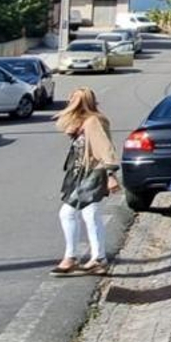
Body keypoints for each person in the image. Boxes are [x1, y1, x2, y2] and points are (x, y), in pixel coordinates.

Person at [52, 88, 119, 276]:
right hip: (80, 174)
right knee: (90, 215)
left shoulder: (94, 121)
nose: (70, 103)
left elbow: (105, 148)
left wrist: (111, 174)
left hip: (93, 174)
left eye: (74, 100)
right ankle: (99, 258)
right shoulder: (82, 122)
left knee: (67, 213)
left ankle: (71, 257)